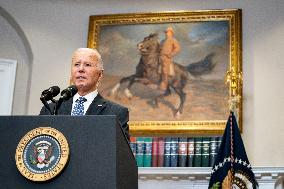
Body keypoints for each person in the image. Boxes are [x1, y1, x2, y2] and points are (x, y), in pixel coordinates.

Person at [40, 48, 129, 140]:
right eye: (76, 64)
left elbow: (119, 152)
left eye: (87, 65)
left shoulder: (116, 113)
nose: (81, 69)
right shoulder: (51, 110)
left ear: (100, 74)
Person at [159, 27, 181, 91]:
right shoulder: (162, 41)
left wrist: (171, 54)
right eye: (166, 32)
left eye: (167, 32)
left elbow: (178, 48)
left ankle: (165, 84)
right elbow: (159, 48)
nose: (166, 33)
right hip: (160, 56)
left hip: (166, 58)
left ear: (171, 33)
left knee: (164, 69)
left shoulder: (173, 40)